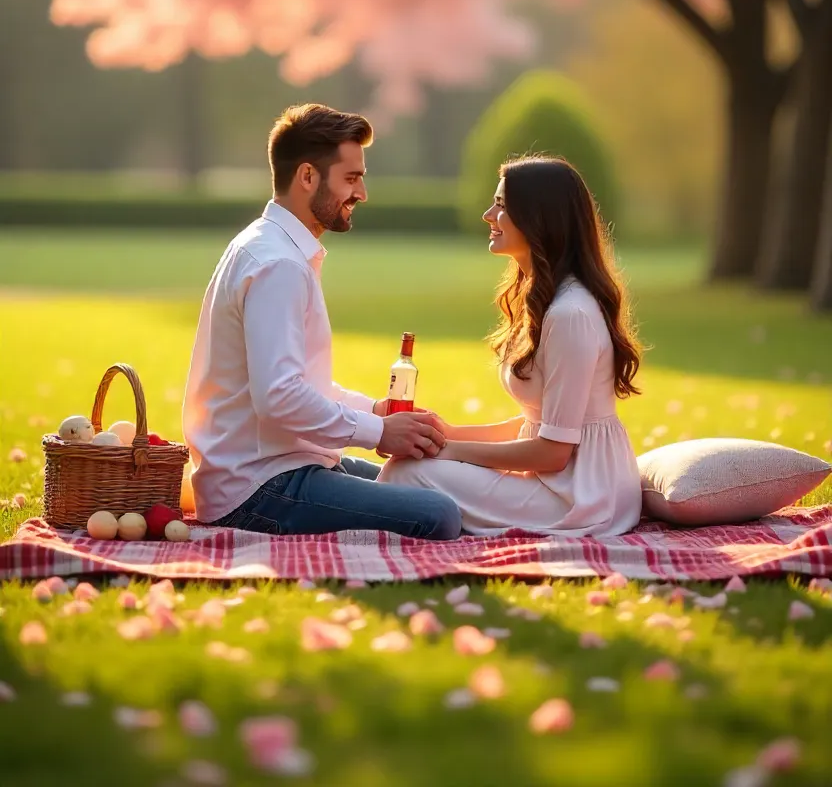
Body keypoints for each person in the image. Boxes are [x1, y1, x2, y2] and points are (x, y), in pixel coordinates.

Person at [182, 103, 462, 541]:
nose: (362, 193)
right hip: (257, 490)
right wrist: (378, 434)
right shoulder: (278, 264)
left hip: (288, 465)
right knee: (437, 513)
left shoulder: (273, 248)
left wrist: (376, 412)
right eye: (351, 178)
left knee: (435, 483)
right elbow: (279, 398)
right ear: (307, 177)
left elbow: (297, 386)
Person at [379, 155, 643, 537]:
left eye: (501, 206)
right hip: (564, 482)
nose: (488, 214)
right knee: (408, 469)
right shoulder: (547, 302)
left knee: (407, 474)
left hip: (583, 497)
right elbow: (536, 424)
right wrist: (447, 433)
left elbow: (552, 452)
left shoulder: (571, 315)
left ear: (540, 218)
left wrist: (450, 451)